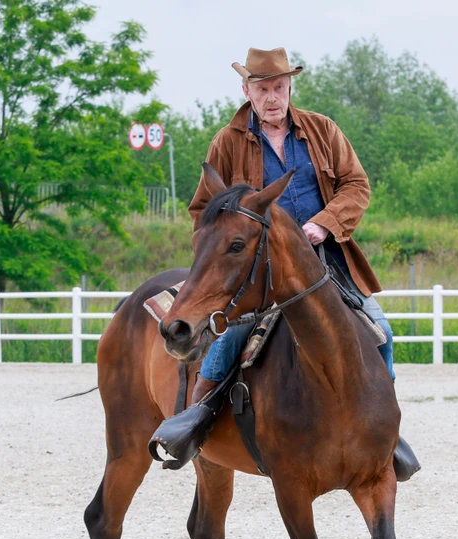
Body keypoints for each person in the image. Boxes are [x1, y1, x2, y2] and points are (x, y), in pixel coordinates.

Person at [151, 47, 420, 481]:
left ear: (289, 87)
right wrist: (228, 246)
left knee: (380, 331)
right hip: (255, 266)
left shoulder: (321, 130)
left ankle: (387, 430)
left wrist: (324, 224)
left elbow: (356, 184)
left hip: (323, 259)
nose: (272, 97)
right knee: (229, 337)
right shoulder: (227, 140)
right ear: (246, 91)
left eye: (279, 87)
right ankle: (197, 417)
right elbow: (205, 209)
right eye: (262, 89)